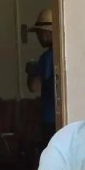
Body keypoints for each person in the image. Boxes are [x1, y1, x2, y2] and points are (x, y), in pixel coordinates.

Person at [26, 8, 56, 145]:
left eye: (39, 33)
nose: (38, 37)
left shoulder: (47, 57)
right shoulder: (62, 54)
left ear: (47, 33)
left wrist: (31, 71)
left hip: (49, 118)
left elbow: (34, 86)